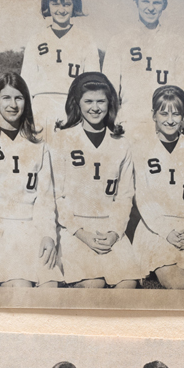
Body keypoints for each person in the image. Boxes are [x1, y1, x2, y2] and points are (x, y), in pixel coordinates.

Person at [0, 72, 61, 288]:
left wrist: (48, 235)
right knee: (20, 289)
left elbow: (45, 200)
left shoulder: (38, 146)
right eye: (6, 97)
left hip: (31, 229)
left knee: (51, 293)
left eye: (19, 98)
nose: (13, 105)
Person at [51, 72, 141, 288]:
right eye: (88, 101)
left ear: (109, 103)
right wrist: (81, 234)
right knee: (94, 286)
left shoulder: (121, 143)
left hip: (109, 228)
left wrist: (114, 233)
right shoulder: (62, 140)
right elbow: (56, 195)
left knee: (128, 286)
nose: (95, 107)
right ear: (77, 103)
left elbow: (125, 195)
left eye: (101, 101)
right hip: (74, 230)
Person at [131, 85, 184, 290]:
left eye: (176, 114)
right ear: (153, 115)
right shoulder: (141, 148)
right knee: (178, 283)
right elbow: (143, 199)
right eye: (163, 113)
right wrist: (166, 231)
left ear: (183, 116)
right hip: (155, 230)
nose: (170, 120)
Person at [103, 0, 184, 136]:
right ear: (136, 2)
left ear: (164, 5)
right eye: (146, 1)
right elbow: (108, 90)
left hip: (167, 126)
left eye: (157, 3)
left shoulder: (176, 43)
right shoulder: (119, 41)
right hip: (129, 125)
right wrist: (109, 125)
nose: (151, 8)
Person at [21, 0, 99, 141]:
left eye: (66, 4)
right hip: (41, 108)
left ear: (74, 6)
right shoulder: (36, 40)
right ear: (47, 6)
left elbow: (93, 84)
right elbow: (26, 85)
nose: (61, 10)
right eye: (55, 4)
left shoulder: (86, 40)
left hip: (72, 108)